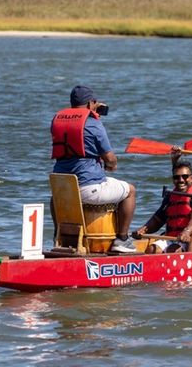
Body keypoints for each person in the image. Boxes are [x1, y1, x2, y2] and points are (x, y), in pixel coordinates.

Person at [51, 85, 136, 253]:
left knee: (54, 199)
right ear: (91, 103)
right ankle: (122, 239)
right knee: (130, 191)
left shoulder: (57, 121)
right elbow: (110, 158)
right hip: (89, 189)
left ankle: (58, 236)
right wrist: (111, 166)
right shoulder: (93, 124)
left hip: (62, 190)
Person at [133, 162, 192, 253]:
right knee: (151, 250)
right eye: (176, 177)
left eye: (185, 176)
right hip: (171, 237)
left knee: (173, 250)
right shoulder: (171, 196)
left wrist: (187, 232)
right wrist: (143, 230)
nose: (181, 180)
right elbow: (158, 219)